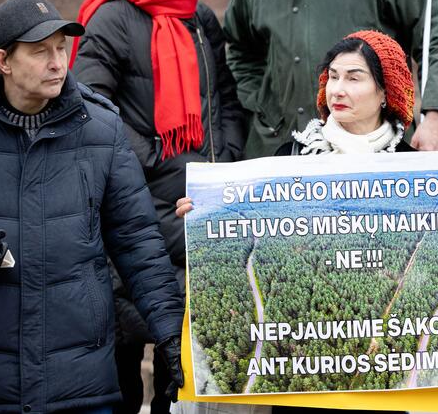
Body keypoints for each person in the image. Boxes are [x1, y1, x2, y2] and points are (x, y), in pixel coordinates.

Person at [0, 0, 184, 414]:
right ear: (4, 61)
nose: (58, 62)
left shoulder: (102, 127)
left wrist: (171, 336)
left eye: (62, 48)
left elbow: (138, 243)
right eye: (40, 51)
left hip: (81, 384)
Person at [174, 30, 413, 414]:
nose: (338, 88)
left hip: (381, 362)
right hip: (304, 360)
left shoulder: (416, 167)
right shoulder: (292, 157)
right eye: (333, 76)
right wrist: (204, 214)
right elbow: (250, 228)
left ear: (386, 92)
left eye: (354, 77)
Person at [70, 0, 247, 413]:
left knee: (182, 363)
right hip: (138, 203)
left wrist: (225, 154)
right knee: (125, 353)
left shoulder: (199, 17)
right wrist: (149, 156)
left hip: (197, 205)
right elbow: (88, 102)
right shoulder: (110, 19)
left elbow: (224, 95)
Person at [224, 0, 438, 159]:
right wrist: (262, 104)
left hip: (379, 155)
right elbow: (238, 48)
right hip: (282, 151)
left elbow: (437, 33)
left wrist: (437, 115)